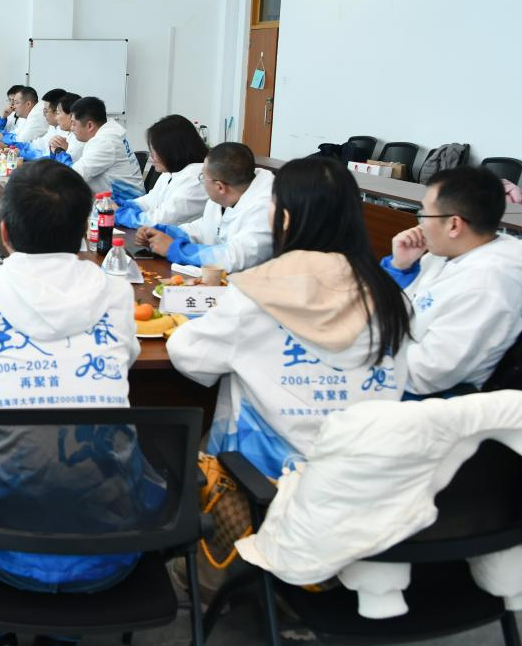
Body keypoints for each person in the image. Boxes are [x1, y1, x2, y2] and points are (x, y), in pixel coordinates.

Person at [0, 159, 149, 646]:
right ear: (84, 230)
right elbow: (128, 358)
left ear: (3, 232)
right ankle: (62, 638)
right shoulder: (116, 294)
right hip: (110, 538)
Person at [167, 156, 411, 478]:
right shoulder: (392, 297)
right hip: (370, 477)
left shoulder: (256, 293)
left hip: (270, 481)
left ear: (284, 218)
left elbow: (189, 354)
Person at [381, 165, 522, 395]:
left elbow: (423, 375)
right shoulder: (446, 253)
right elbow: (377, 307)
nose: (420, 224)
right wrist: (400, 268)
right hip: (391, 360)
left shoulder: (488, 288)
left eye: (424, 214)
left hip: (423, 397)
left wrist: (365, 348)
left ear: (454, 225)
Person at [136, 142, 274, 272]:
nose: (201, 181)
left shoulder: (265, 208)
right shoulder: (227, 193)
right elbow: (204, 228)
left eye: (203, 177)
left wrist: (175, 250)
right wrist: (166, 233)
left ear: (219, 187)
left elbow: (234, 258)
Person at [115, 114, 210, 228]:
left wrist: (120, 214)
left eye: (155, 151)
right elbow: (151, 200)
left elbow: (163, 219)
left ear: (172, 150)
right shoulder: (171, 172)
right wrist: (123, 205)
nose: (152, 156)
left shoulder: (197, 177)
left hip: (180, 236)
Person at [68, 95, 145, 200]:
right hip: (123, 199)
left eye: (73, 124)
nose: (71, 128)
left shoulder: (104, 142)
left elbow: (74, 176)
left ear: (90, 126)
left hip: (123, 204)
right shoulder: (110, 133)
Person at [44, 91, 86, 163]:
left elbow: (67, 166)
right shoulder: (66, 133)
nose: (56, 118)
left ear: (71, 115)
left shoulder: (80, 140)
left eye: (58, 113)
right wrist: (53, 150)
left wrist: (60, 151)